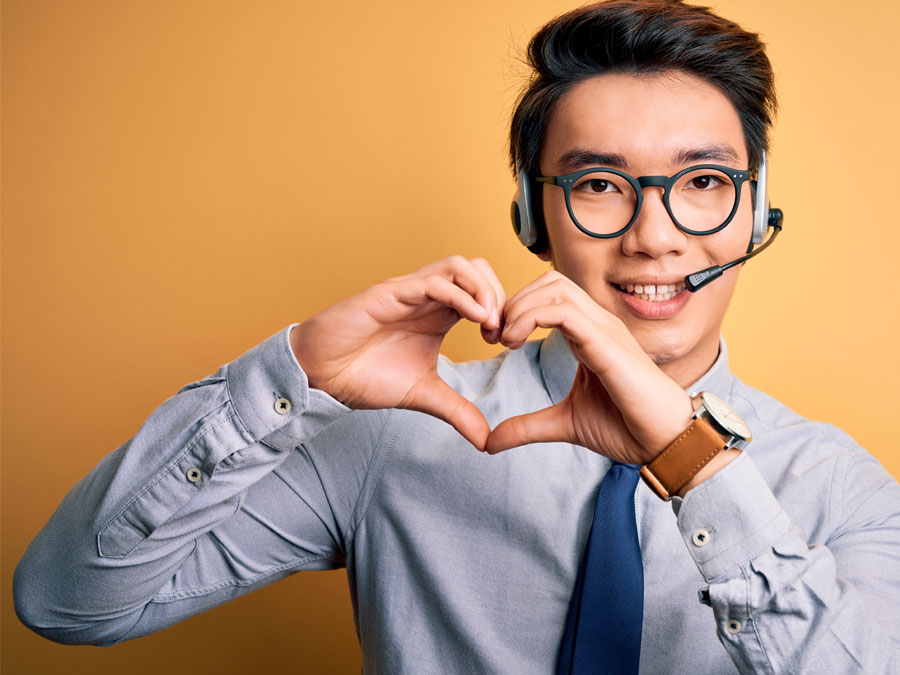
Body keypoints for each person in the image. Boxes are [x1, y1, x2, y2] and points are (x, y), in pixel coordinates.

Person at [14, 0, 900, 673]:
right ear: (531, 210)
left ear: (752, 210)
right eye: (598, 185)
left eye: (703, 180)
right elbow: (66, 602)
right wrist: (287, 381)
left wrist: (690, 459)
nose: (655, 236)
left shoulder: (838, 486)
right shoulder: (392, 438)